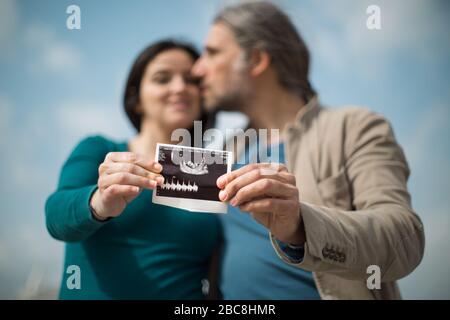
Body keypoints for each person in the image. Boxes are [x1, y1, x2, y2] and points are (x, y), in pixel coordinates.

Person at [192, 1, 425, 299]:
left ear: (257, 59)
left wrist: (301, 225)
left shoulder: (354, 126)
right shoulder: (228, 150)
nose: (198, 69)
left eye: (212, 53)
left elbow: (405, 239)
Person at [45, 40, 221, 299]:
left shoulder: (212, 173)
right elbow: (56, 217)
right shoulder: (99, 149)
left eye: (191, 80)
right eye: (162, 78)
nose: (180, 87)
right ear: (136, 99)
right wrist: (99, 202)